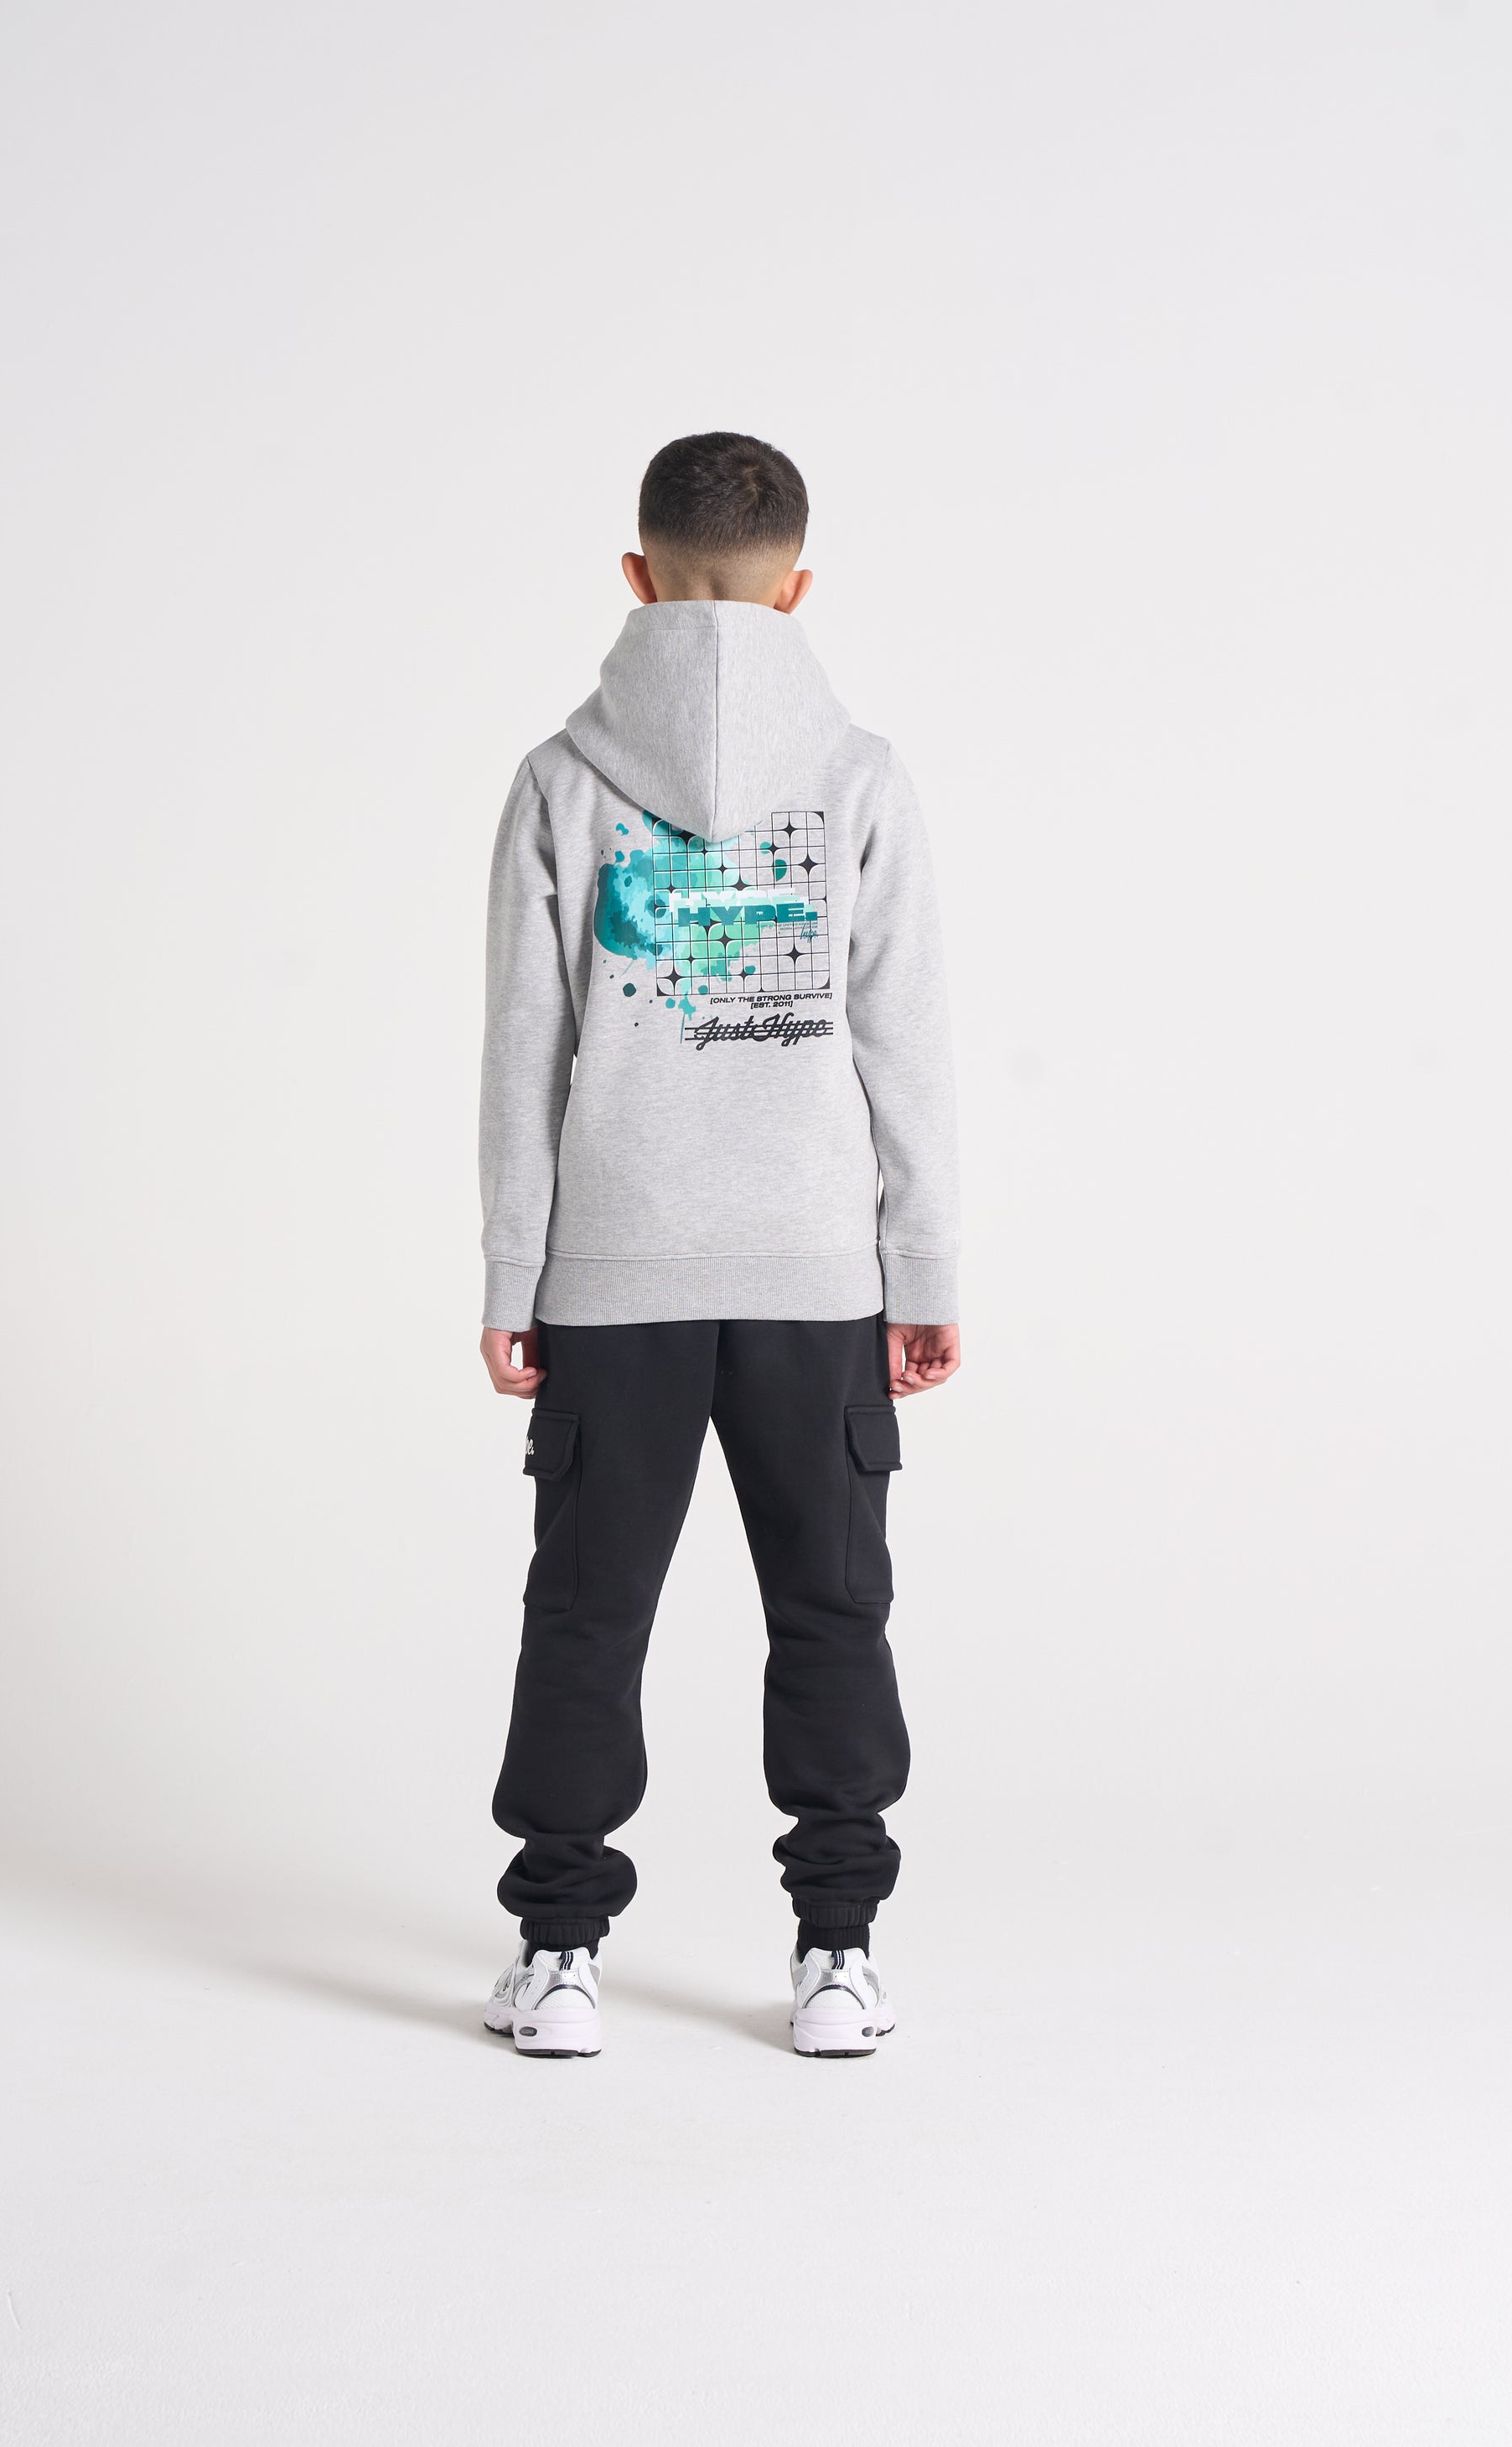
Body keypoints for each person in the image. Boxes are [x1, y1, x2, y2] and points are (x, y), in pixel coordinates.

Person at [476, 432, 960, 2059]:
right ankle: (837, 1953)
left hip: (613, 1273)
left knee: (584, 1612)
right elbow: (906, 1048)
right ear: (795, 589)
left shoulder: (559, 779)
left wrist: (514, 1276)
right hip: (818, 1273)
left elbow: (524, 1055)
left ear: (636, 576)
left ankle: (558, 1955)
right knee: (830, 1609)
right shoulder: (861, 775)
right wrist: (923, 1271)